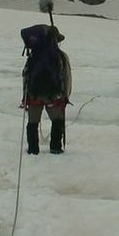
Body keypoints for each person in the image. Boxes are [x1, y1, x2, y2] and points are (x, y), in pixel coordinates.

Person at [22, 26, 72, 155]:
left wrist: (25, 96)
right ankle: (55, 147)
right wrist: (65, 95)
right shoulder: (60, 56)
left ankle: (33, 149)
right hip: (54, 95)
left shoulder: (34, 55)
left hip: (34, 95)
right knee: (57, 120)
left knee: (33, 122)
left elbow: (26, 76)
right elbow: (66, 76)